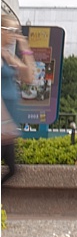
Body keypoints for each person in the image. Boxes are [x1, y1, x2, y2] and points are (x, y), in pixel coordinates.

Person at [1, 15, 37, 184]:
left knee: (12, 169)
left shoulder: (7, 56)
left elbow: (29, 76)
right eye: (11, 30)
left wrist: (24, 46)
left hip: (7, 129)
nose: (14, 34)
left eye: (17, 31)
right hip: (3, 126)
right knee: (11, 168)